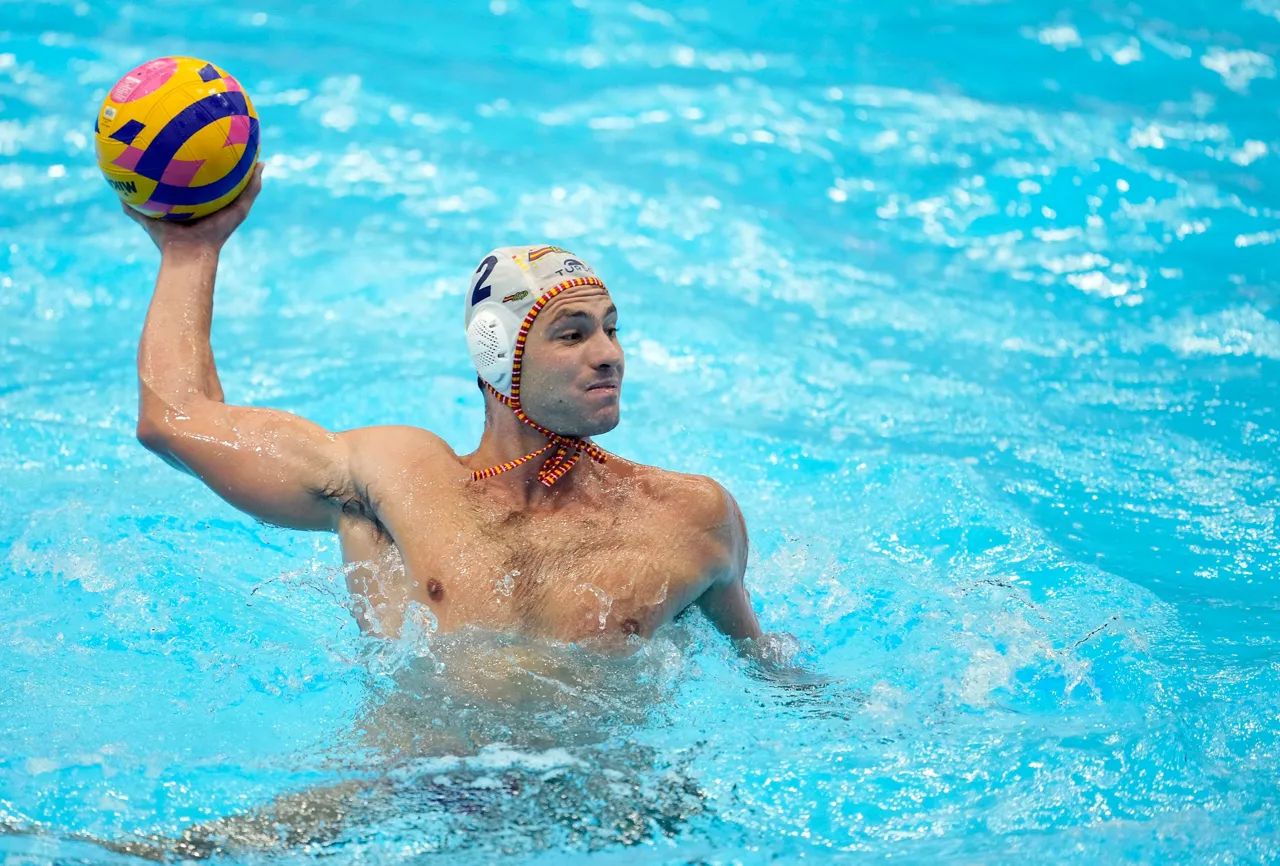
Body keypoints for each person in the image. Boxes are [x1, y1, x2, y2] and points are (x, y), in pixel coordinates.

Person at [126, 164, 763, 651]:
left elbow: (767, 677)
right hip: (416, 788)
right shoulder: (395, 481)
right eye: (572, 334)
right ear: (498, 357)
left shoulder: (688, 515)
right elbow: (174, 417)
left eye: (612, 329)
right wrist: (192, 250)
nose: (609, 355)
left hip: (599, 799)